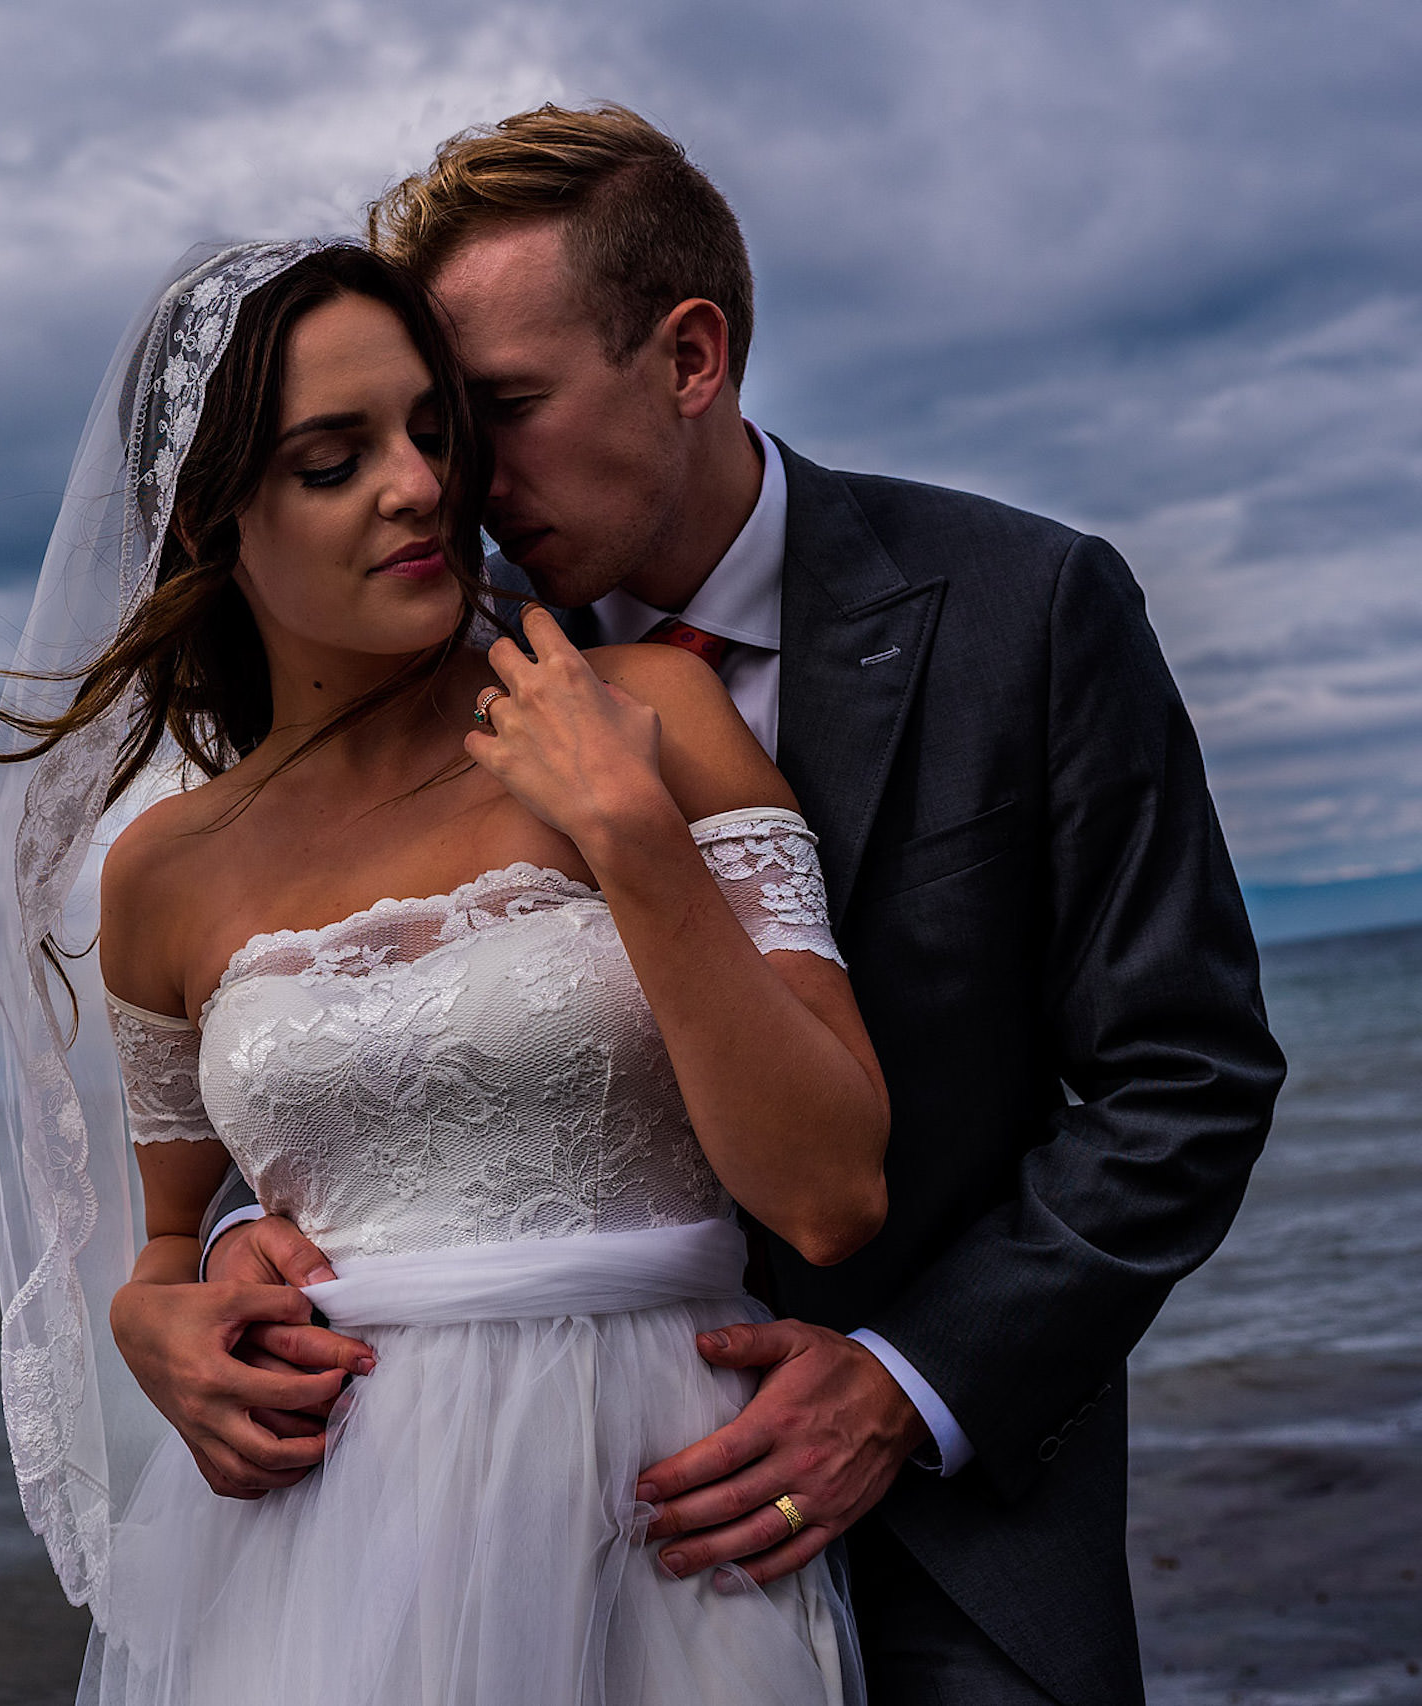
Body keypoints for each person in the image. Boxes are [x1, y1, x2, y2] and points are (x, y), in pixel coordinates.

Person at [124, 106, 1288, 1705]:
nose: (454, 479)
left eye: (499, 411)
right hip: (479, 1546)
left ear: (690, 357)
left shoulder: (1028, 609)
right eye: (436, 425)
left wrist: (907, 1382)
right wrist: (228, 1256)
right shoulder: (416, 656)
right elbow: (339, 1039)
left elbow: (1187, 1077)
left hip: (960, 1514)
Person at [0, 236, 893, 1701]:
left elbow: (831, 1191)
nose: (417, 485)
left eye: (430, 430)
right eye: (331, 459)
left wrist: (630, 833)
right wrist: (153, 1316)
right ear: (217, 519)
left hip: (663, 1522)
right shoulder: (163, 872)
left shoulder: (645, 710)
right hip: (318, 1566)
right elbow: (171, 1238)